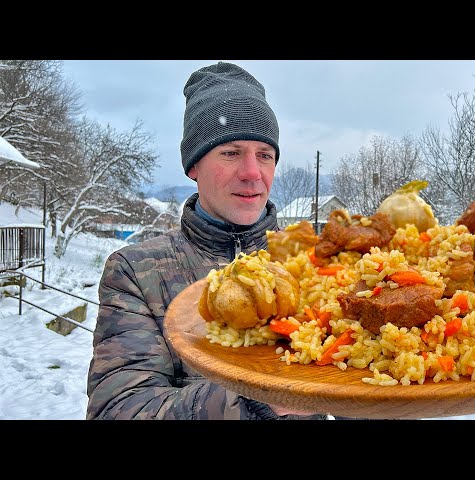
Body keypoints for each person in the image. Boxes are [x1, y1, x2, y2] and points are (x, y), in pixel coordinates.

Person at [86, 62, 329, 420]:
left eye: (265, 155)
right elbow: (117, 408)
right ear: (193, 166)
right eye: (230, 152)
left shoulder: (314, 263)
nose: (252, 173)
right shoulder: (135, 272)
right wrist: (255, 397)